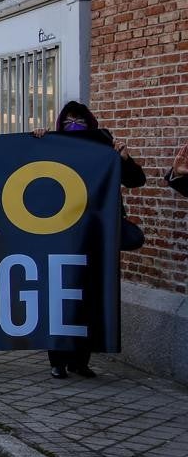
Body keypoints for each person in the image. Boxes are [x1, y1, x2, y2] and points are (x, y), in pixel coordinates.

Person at [33, 101, 145, 379]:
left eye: (79, 120)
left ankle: (80, 361)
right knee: (60, 299)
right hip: (61, 238)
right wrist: (36, 142)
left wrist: (123, 158)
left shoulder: (104, 150)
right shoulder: (51, 148)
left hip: (95, 239)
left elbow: (136, 180)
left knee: (91, 299)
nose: (74, 125)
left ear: (90, 123)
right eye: (69, 120)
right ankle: (57, 359)